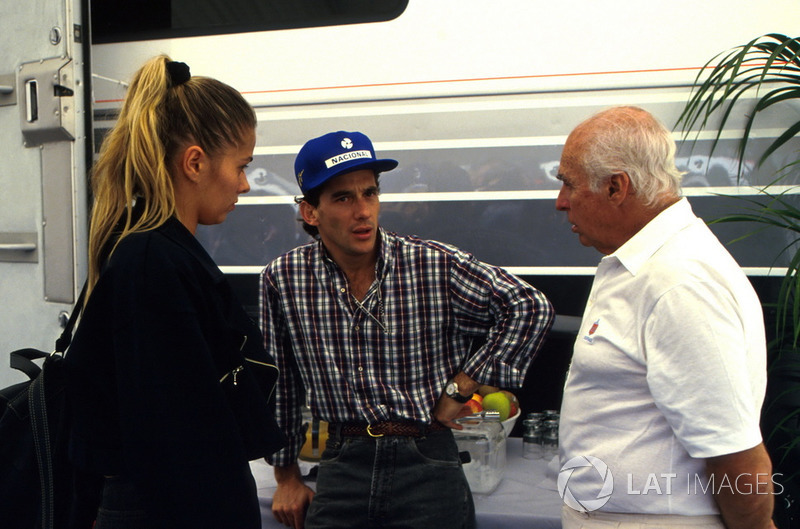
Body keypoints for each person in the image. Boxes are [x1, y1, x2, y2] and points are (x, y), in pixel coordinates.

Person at [260, 130, 554, 529]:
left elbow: (528, 305)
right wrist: (286, 476)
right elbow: (283, 385)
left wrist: (462, 386)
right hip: (343, 463)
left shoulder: (431, 264)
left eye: (369, 193)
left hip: (428, 459)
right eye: (343, 198)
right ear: (310, 212)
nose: (363, 211)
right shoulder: (284, 278)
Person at [64, 55, 285, 529]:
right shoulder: (151, 261)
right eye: (242, 166)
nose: (245, 184)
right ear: (195, 162)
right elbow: (174, 438)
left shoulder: (157, 252)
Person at [555, 106, 776, 529]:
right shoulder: (648, 264)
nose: (560, 202)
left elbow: (734, 452)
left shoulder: (680, 281)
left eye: (568, 184)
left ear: (617, 188)